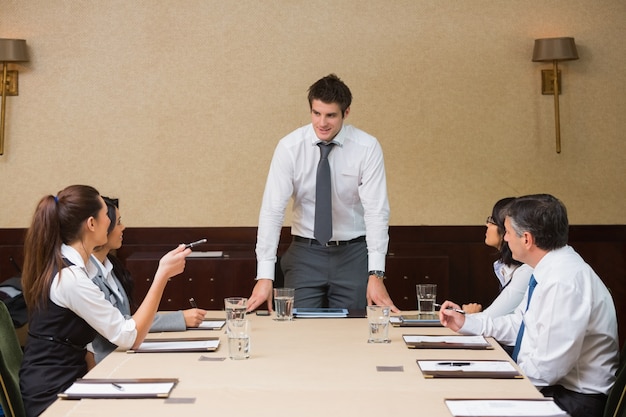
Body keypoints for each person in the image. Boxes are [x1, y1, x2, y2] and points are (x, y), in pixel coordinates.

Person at [440, 194, 619, 417]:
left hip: (573, 401)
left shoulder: (564, 281)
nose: (505, 239)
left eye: (507, 232)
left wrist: (493, 387)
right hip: (554, 389)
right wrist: (469, 322)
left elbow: (548, 369)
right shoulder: (550, 270)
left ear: (526, 239)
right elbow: (521, 324)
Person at [19, 185, 190, 416]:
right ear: (91, 223)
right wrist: (162, 276)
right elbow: (128, 336)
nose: (110, 222)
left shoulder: (77, 267)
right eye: (105, 216)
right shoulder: (70, 278)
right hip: (52, 392)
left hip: (69, 378)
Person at [247, 74, 397, 313]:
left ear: (346, 113)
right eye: (316, 113)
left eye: (330, 115)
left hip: (353, 253)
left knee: (355, 332)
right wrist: (264, 276)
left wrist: (376, 273)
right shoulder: (289, 147)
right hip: (305, 253)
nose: (322, 123)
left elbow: (377, 212)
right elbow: (272, 211)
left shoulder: (367, 148)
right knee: (297, 330)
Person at [88, 197, 207, 364]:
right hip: (109, 364)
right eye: (118, 222)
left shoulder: (109, 266)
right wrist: (177, 318)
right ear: (96, 226)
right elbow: (124, 327)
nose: (123, 227)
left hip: (123, 357)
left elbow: (127, 320)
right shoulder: (86, 275)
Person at [462, 197, 533, 318]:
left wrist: (472, 315)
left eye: (492, 220)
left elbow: (491, 318)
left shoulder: (527, 270)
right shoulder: (504, 267)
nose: (487, 224)